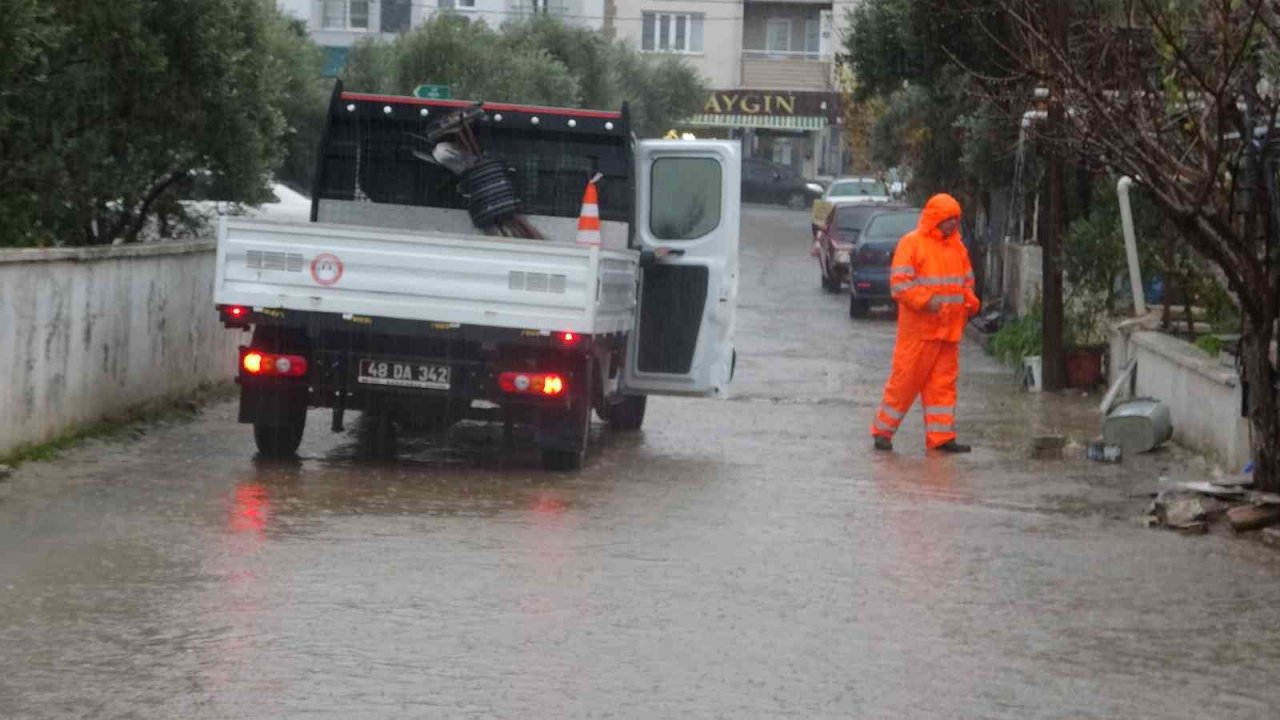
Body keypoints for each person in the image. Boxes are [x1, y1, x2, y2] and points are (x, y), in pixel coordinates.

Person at [870, 193, 981, 453]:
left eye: (955, 219)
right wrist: (925, 301)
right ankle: (883, 432)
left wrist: (970, 301)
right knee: (904, 383)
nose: (952, 224)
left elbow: (966, 282)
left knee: (943, 387)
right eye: (947, 219)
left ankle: (941, 438)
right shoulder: (912, 244)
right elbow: (899, 285)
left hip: (949, 332)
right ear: (934, 219)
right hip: (919, 333)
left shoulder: (958, 248)